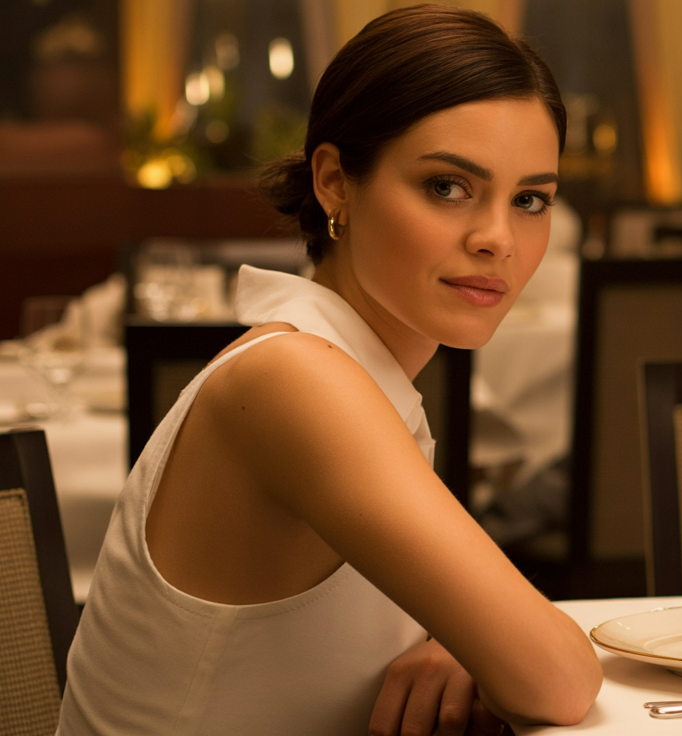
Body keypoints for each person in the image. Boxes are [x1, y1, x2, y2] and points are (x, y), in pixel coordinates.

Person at [58, 7, 601, 735]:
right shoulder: (293, 380)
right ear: (335, 182)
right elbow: (558, 681)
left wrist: (468, 639)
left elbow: (532, 660)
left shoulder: (350, 371)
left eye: (529, 200)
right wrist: (504, 644)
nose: (497, 239)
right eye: (447, 186)